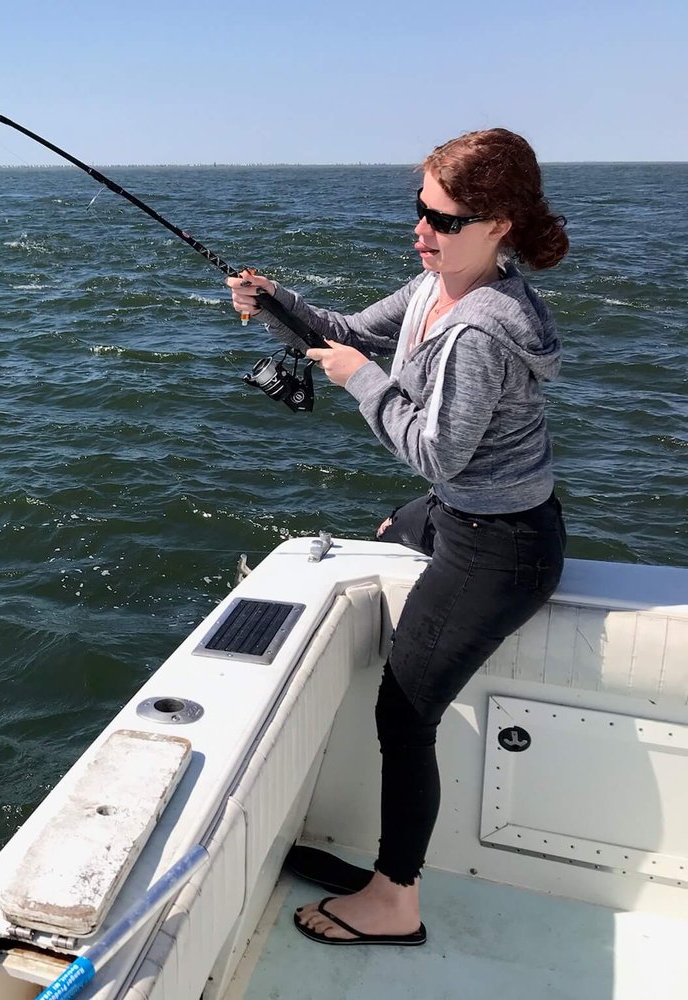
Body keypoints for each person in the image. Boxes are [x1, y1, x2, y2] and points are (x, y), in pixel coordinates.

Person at [226, 128, 569, 946]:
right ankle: (387, 877)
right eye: (420, 210)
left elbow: (431, 447)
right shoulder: (433, 288)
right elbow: (343, 327)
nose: (422, 231)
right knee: (391, 525)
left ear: (500, 226)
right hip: (459, 511)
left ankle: (395, 898)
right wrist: (272, 301)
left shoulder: (482, 328)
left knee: (402, 713)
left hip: (502, 545)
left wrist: (359, 381)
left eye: (443, 220)